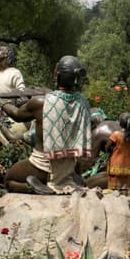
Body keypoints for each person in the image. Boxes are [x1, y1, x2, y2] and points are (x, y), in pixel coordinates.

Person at [42, 56, 91, 193]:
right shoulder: (83, 102)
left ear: (59, 76)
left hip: (47, 163)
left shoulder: (48, 101)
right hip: (72, 163)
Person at [106, 112, 130, 194]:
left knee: (112, 191)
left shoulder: (115, 135)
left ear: (120, 123)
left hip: (115, 166)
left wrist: (111, 151)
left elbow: (107, 147)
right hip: (127, 168)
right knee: (124, 192)